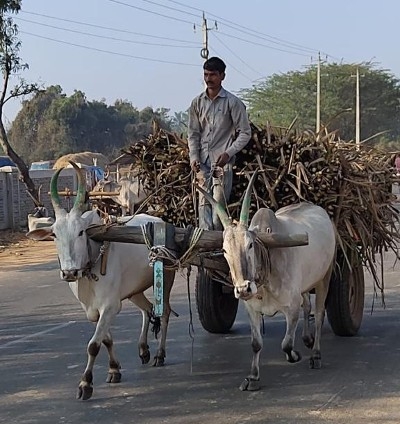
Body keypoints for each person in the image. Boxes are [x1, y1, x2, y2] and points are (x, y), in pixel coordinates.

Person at [188, 56, 251, 230]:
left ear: (222, 76)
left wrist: (228, 153)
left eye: (213, 75)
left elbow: (245, 133)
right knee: (203, 204)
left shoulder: (233, 103)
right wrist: (193, 157)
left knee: (218, 206)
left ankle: (218, 243)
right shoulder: (197, 103)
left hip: (222, 164)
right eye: (206, 74)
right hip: (202, 162)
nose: (209, 79)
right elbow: (193, 134)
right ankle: (204, 245)